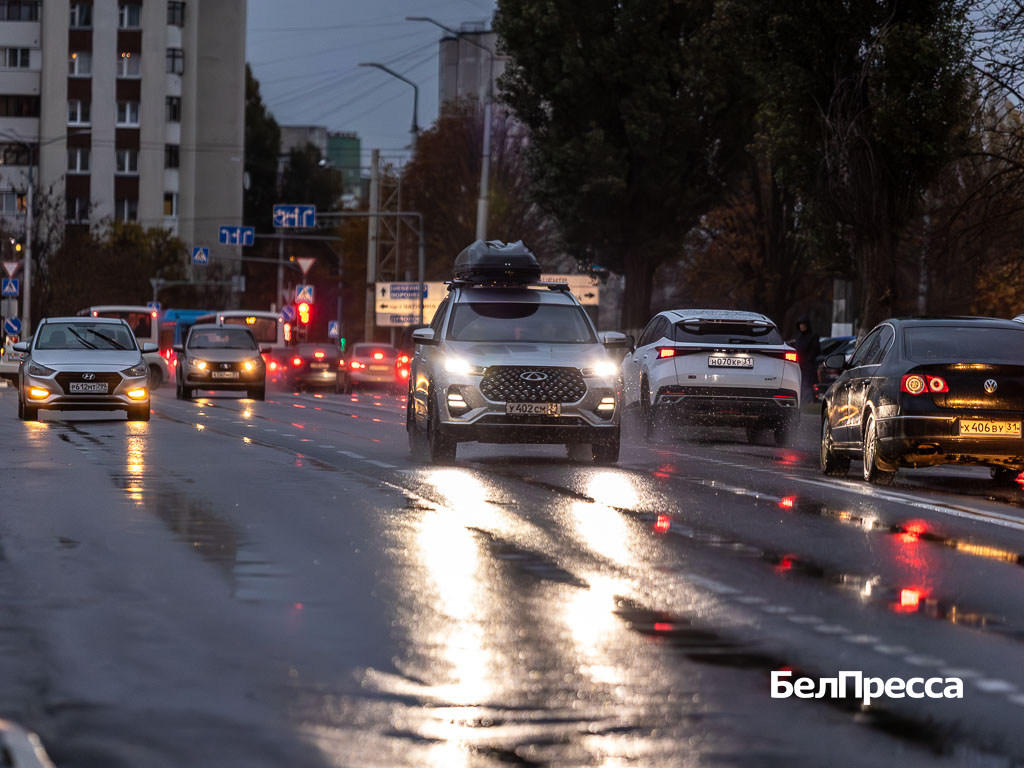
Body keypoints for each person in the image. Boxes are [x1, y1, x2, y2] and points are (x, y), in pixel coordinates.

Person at [792, 314, 820, 403]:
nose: (802, 326)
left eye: (804, 325)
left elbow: (815, 350)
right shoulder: (799, 337)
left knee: (807, 385)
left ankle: (807, 401)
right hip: (798, 365)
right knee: (800, 384)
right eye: (801, 325)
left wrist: (808, 359)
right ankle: (801, 401)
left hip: (808, 366)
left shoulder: (813, 336)